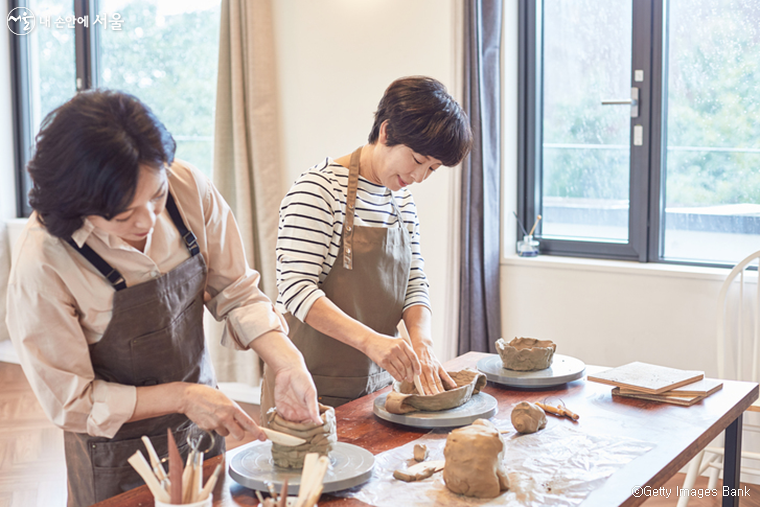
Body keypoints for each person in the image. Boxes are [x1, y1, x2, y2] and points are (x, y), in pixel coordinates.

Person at [5, 90, 321, 507]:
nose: (149, 221)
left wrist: (286, 360)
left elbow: (237, 291)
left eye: (156, 196)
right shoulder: (43, 263)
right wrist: (183, 396)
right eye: (123, 216)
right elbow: (72, 401)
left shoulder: (188, 187)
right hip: (115, 454)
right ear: (77, 206)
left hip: (203, 427)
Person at [261, 76, 473, 411]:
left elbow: (414, 282)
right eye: (418, 160)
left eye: (432, 169)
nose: (418, 178)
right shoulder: (318, 191)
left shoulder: (401, 201)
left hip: (375, 385)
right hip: (308, 384)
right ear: (386, 132)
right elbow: (296, 290)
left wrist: (423, 343)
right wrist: (371, 341)